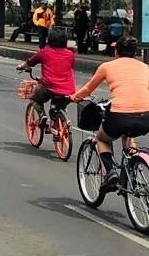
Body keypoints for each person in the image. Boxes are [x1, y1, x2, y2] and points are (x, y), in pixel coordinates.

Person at [72, 36, 149, 188]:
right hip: (146, 116)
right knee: (128, 133)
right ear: (135, 53)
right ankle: (133, 166)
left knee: (102, 139)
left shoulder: (107, 66)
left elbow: (89, 88)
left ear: (116, 51)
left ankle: (111, 172)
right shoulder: (145, 68)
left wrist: (75, 97)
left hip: (120, 115)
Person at [18, 26, 75, 124]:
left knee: (34, 98)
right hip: (68, 90)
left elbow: (30, 62)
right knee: (58, 107)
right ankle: (61, 125)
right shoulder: (70, 54)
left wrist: (21, 66)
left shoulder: (44, 52)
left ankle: (42, 116)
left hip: (49, 87)